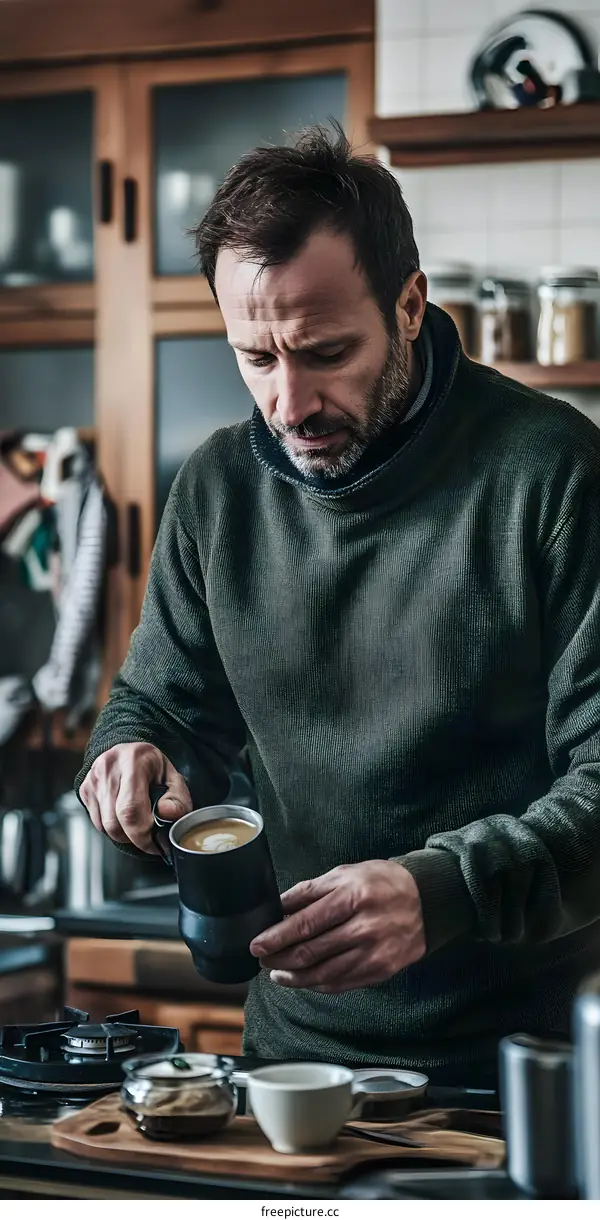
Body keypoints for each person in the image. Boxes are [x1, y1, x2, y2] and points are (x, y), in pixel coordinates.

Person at [77, 125, 600, 1087]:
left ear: (409, 305)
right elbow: (158, 703)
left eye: (324, 352)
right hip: (293, 1063)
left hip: (527, 1069)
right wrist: (128, 753)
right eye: (256, 357)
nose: (289, 402)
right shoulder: (217, 492)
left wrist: (442, 891)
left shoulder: (553, 476)